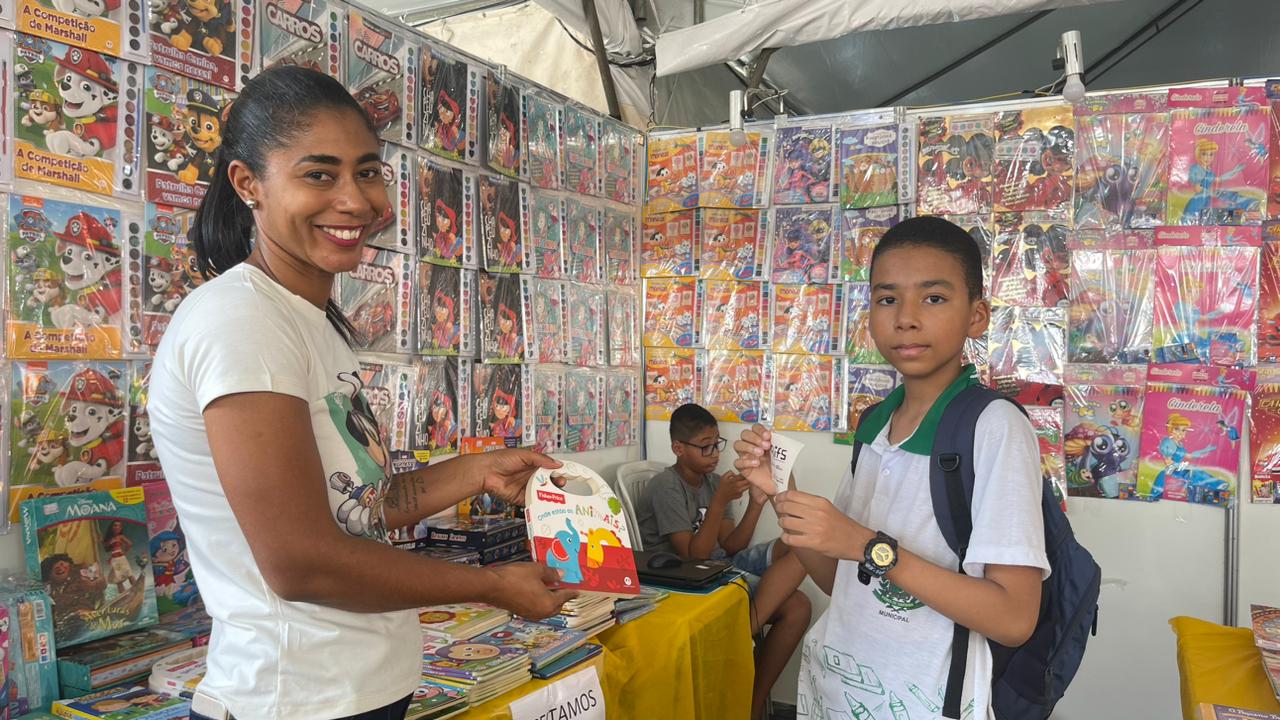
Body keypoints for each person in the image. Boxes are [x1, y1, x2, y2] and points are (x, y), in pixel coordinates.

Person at [147, 66, 575, 720]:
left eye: (367, 172)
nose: (355, 200)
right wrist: (490, 586)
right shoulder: (241, 321)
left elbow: (359, 508)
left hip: (351, 691)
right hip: (294, 700)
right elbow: (303, 565)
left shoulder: (307, 321)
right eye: (319, 175)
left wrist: (478, 471)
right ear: (247, 184)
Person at [733, 216, 1048, 719]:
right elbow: (841, 582)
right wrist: (779, 491)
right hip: (834, 691)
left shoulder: (994, 427)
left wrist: (866, 545)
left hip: (925, 704)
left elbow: (1013, 618)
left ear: (977, 316)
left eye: (934, 297)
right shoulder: (875, 422)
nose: (906, 318)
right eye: (887, 299)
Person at [634, 403, 810, 720]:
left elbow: (732, 544)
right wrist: (718, 503)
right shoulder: (666, 486)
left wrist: (756, 504)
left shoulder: (714, 481)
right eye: (705, 446)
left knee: (802, 545)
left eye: (717, 444)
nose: (715, 453)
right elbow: (692, 555)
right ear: (678, 448)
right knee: (798, 606)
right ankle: (750, 695)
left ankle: (743, 638)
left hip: (722, 565)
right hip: (688, 576)